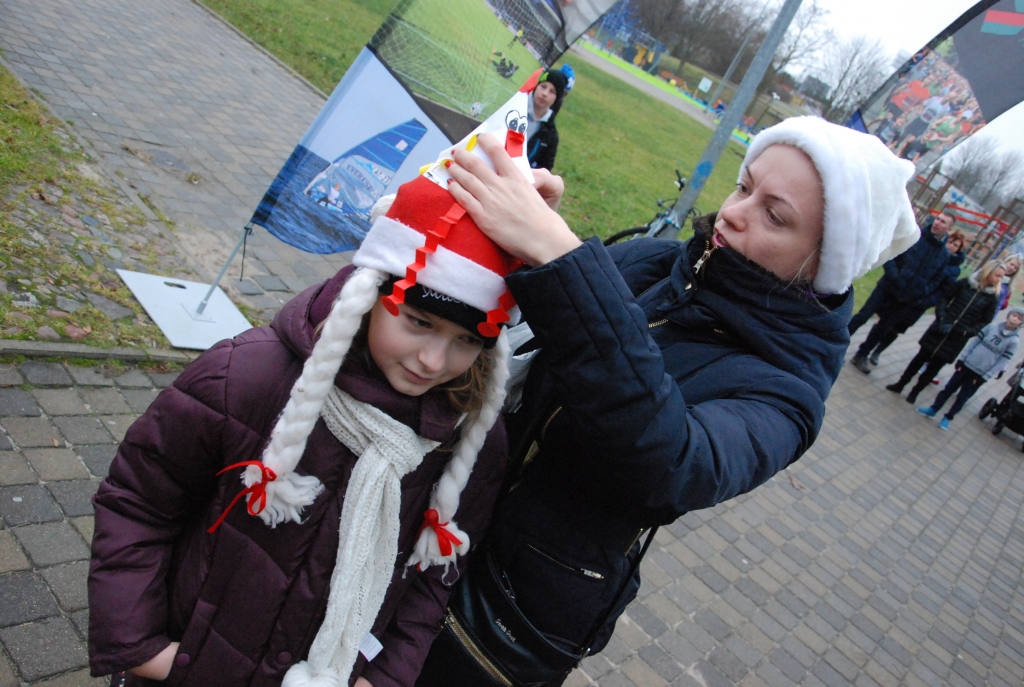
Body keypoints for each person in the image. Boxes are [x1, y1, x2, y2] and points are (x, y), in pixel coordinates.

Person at [415, 116, 919, 686]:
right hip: (436, 526)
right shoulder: (658, 261)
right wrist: (518, 244)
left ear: (823, 264)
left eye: (775, 215)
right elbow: (519, 332)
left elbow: (670, 463)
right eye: (744, 185)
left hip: (507, 615)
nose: (734, 212)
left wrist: (561, 258)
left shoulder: (787, 393)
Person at [87, 173, 520, 687]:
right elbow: (139, 501)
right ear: (369, 294)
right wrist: (141, 647)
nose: (433, 360)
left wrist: (385, 677)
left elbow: (430, 581)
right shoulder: (246, 379)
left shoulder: (471, 443)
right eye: (418, 322)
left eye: (467, 341)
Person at [848, 211, 955, 373]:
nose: (937, 223)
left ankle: (862, 354)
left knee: (883, 328)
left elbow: (937, 279)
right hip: (888, 287)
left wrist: (921, 291)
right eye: (937, 218)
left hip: (907, 299)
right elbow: (891, 254)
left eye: (943, 222)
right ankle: (834, 344)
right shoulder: (914, 236)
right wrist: (894, 275)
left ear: (949, 228)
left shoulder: (944, 255)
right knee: (863, 316)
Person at [886, 260, 1004, 404]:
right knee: (920, 358)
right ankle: (901, 384)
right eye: (997, 275)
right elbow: (946, 296)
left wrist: (967, 332)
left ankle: (915, 392)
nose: (999, 280)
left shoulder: (992, 298)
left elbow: (985, 321)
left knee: (934, 367)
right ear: (988, 272)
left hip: (957, 337)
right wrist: (941, 315)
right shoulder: (966, 283)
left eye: (1001, 277)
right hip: (941, 327)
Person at [864, 228, 967, 366]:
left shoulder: (954, 269)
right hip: (906, 295)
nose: (952, 247)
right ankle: (866, 348)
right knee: (884, 322)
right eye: (951, 242)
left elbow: (943, 289)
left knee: (897, 328)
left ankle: (878, 350)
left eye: (956, 246)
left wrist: (926, 300)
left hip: (920, 303)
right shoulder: (934, 252)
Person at [917, 308, 1023, 429]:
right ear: (1008, 316)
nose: (1015, 319)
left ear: (1021, 323)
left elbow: (1003, 361)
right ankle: (933, 409)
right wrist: (962, 359)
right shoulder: (992, 327)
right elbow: (974, 342)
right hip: (967, 365)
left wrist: (986, 376)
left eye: (1019, 318)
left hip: (979, 374)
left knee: (962, 397)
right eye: (1014, 315)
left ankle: (948, 417)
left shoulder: (1014, 341)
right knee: (948, 389)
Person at [526, 68, 569, 171]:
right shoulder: (514, 110)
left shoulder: (550, 135)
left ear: (556, 98)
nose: (545, 93)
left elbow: (545, 169)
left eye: (552, 92)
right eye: (543, 86)